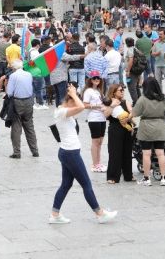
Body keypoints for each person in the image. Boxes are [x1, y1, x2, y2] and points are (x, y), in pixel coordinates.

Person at [49, 83, 118, 225]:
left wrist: (74, 95)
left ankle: (55, 214)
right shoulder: (61, 112)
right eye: (73, 101)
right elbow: (82, 107)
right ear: (69, 101)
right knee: (86, 184)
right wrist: (74, 94)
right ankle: (100, 213)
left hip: (68, 152)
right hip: (70, 153)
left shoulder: (64, 111)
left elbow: (79, 106)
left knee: (66, 184)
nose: (76, 105)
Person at [133, 77, 165, 186]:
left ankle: (147, 179)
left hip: (146, 127)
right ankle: (164, 178)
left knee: (146, 154)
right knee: (160, 153)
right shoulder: (162, 99)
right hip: (160, 127)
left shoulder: (142, 99)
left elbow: (134, 113)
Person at [6, 60, 39, 159]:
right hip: (29, 101)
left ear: (14, 68)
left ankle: (17, 152)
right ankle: (35, 150)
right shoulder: (29, 74)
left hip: (17, 102)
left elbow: (9, 93)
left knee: (16, 127)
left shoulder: (13, 76)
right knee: (29, 126)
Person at [103, 84, 134, 183]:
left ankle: (128, 175)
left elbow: (132, 113)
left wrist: (127, 119)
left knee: (127, 153)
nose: (122, 91)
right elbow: (105, 115)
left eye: (123, 90)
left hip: (127, 128)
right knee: (114, 153)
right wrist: (112, 106)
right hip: (115, 129)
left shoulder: (125, 102)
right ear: (114, 92)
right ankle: (112, 177)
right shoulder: (109, 102)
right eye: (120, 90)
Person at [82, 72, 107, 173]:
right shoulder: (88, 91)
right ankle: (94, 164)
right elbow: (85, 105)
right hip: (94, 118)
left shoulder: (99, 90)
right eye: (94, 78)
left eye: (98, 78)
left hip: (102, 118)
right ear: (91, 80)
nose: (97, 79)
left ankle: (98, 162)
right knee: (95, 141)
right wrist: (97, 106)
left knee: (100, 142)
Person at [30, 39, 47, 109]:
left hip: (31, 72)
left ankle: (32, 104)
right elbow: (38, 63)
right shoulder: (35, 52)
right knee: (39, 89)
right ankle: (41, 104)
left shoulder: (29, 51)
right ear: (37, 45)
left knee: (33, 89)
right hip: (37, 73)